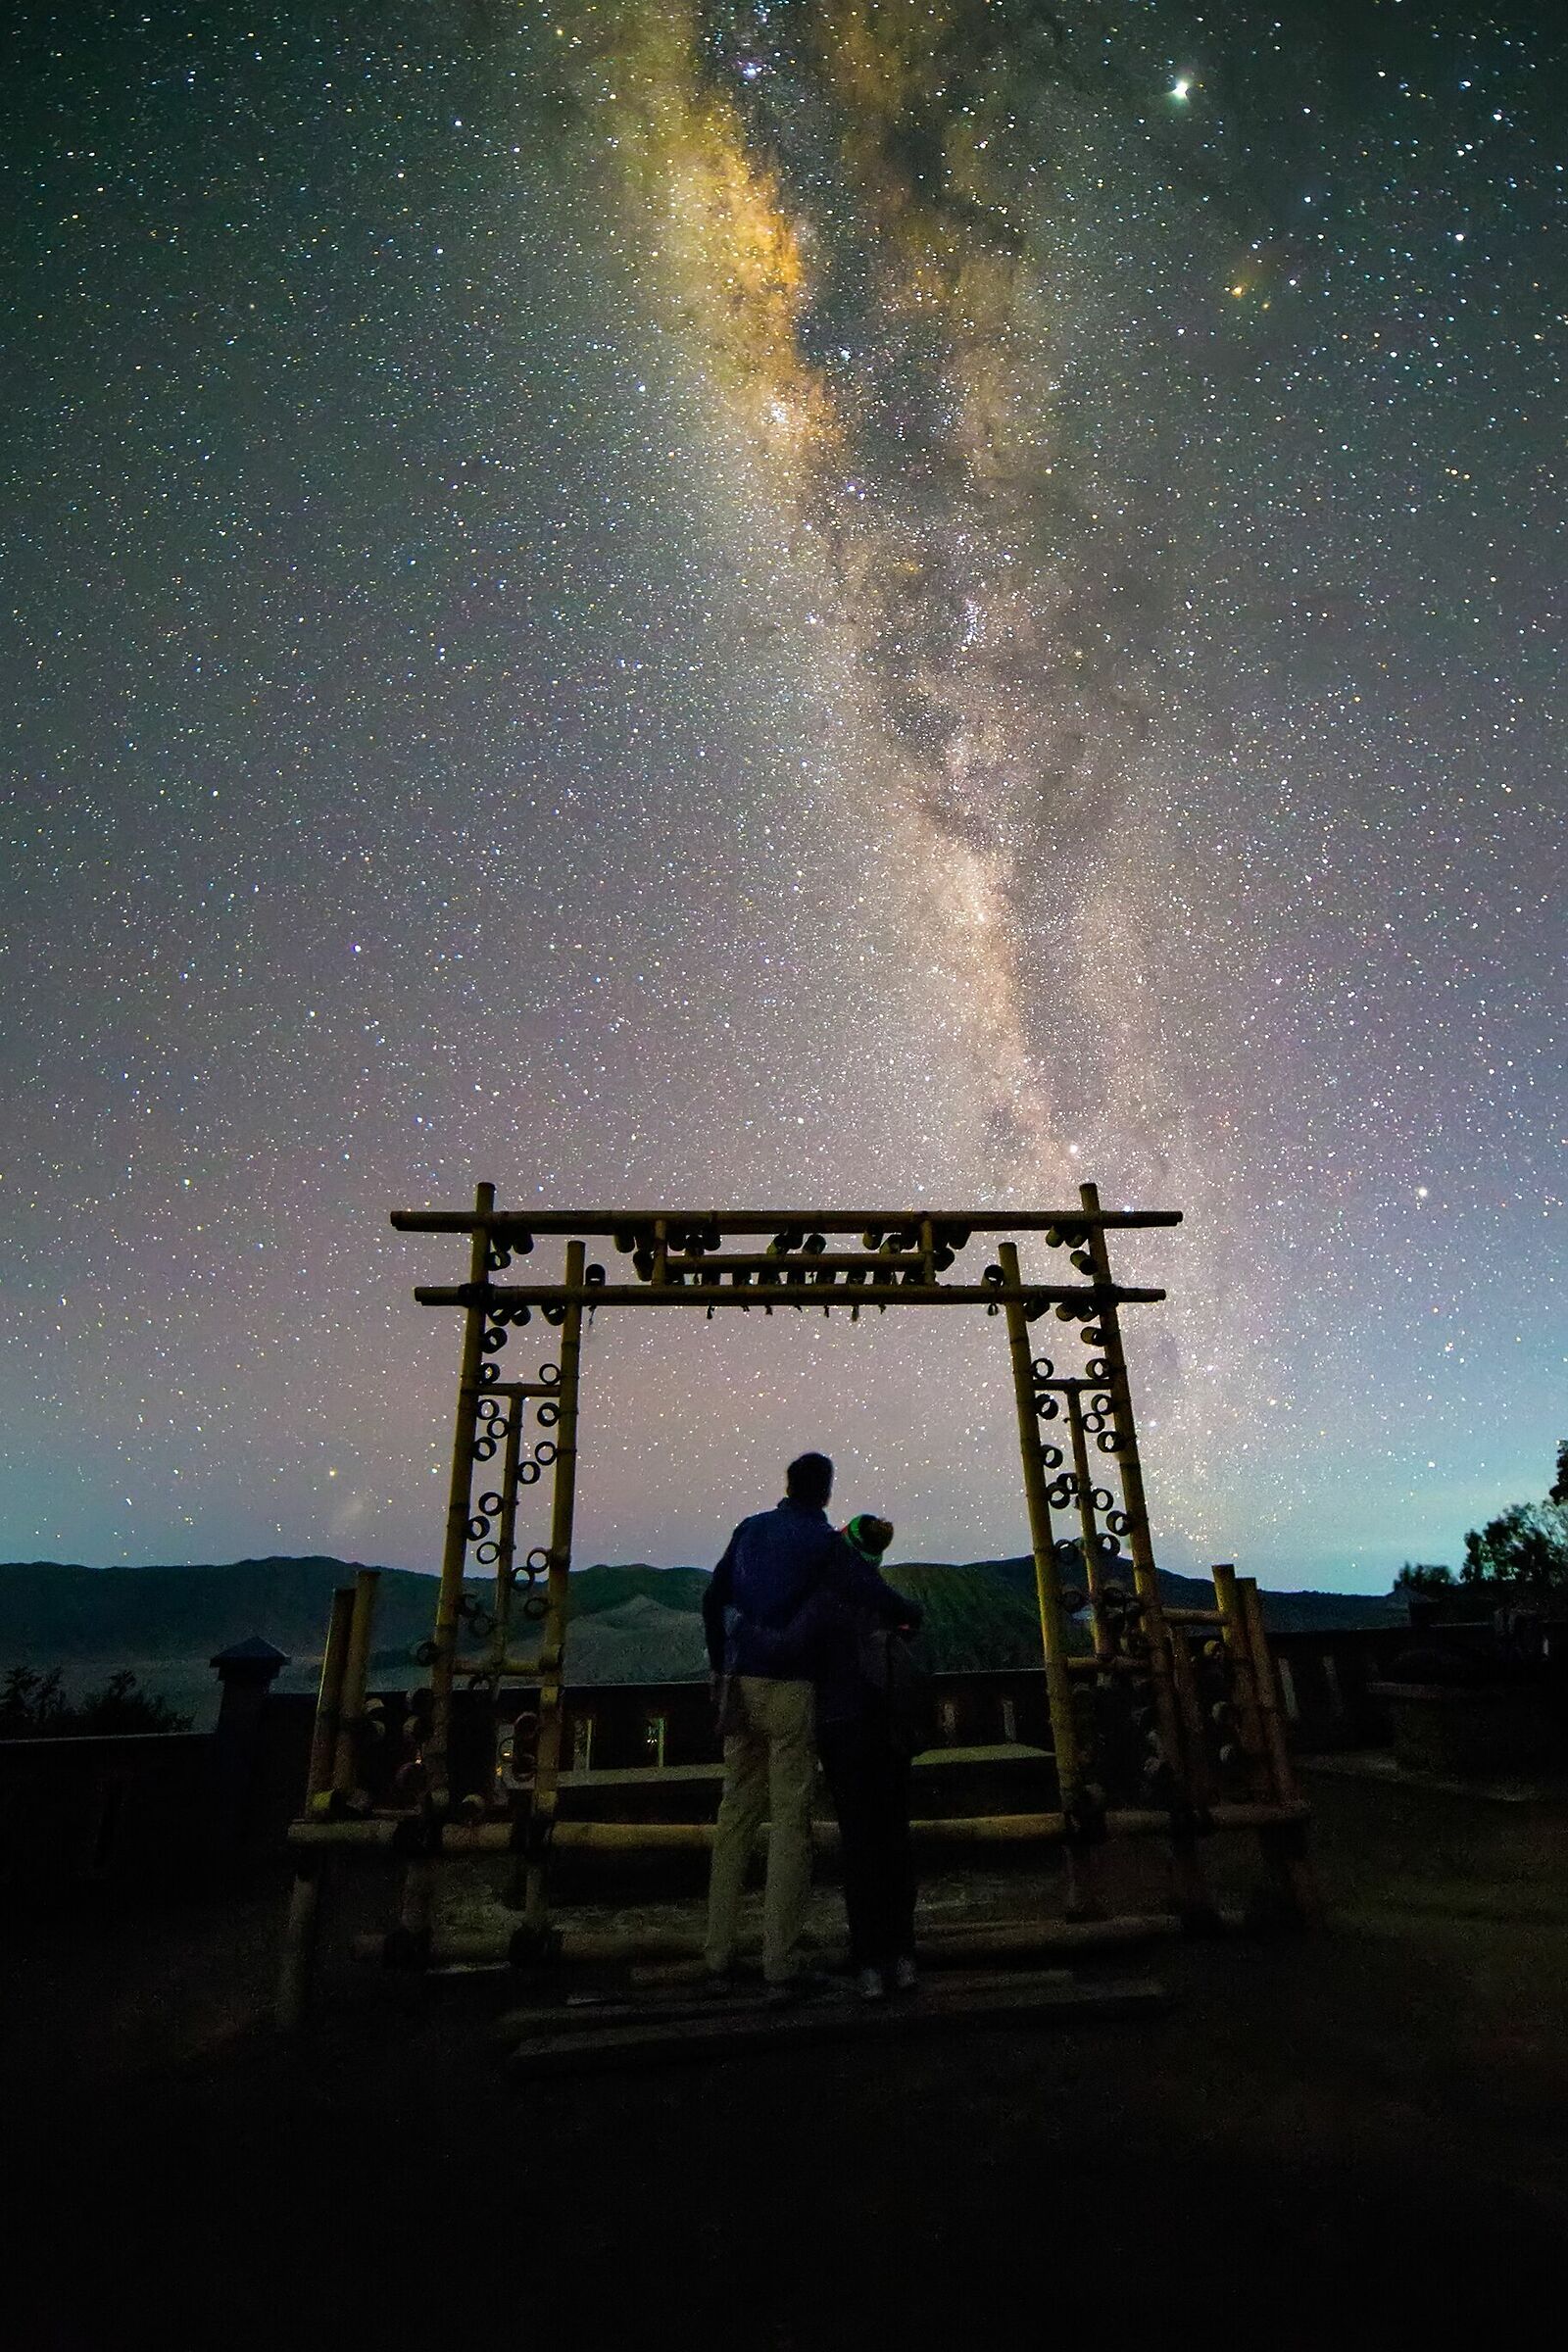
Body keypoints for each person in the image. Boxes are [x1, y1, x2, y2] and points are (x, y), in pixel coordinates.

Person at [702, 1450, 901, 2004]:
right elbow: (868, 1591)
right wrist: (909, 1611)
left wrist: (720, 1666)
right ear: (827, 1492)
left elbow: (712, 1597)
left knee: (735, 1812)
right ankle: (778, 1961)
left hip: (740, 1678)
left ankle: (717, 1950)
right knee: (791, 1819)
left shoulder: (749, 1529)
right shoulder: (822, 1542)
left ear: (787, 1484)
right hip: (791, 1686)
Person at [808, 1512, 925, 2003]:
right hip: (890, 1732)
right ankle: (901, 1955)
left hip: (843, 1729)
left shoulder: (829, 1593)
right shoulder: (885, 1599)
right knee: (894, 1839)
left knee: (860, 1844)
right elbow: (911, 1622)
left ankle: (870, 1962)